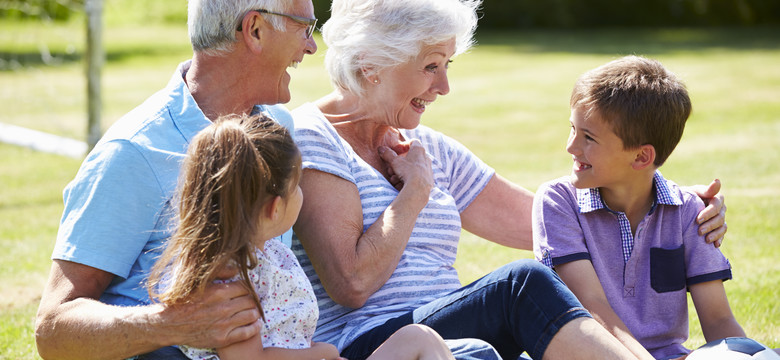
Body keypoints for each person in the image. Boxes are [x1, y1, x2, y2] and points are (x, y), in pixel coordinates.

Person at [289, 1, 727, 359]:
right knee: (522, 284)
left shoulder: (426, 145)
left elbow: (544, 223)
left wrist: (668, 204)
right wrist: (415, 192)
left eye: (448, 65)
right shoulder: (313, 138)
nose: (444, 86)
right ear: (372, 64)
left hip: (454, 338)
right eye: (430, 66)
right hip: (374, 343)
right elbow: (352, 284)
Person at [34, 0, 317, 359]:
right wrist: (173, 324)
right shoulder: (134, 151)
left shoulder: (279, 130)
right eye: (304, 28)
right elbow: (52, 330)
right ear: (255, 30)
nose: (312, 45)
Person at [147, 114, 455, 360]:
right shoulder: (228, 280)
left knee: (418, 337)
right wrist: (323, 352)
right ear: (274, 207)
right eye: (297, 186)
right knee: (420, 340)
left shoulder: (267, 257)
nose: (302, 193)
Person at [532, 56, 744, 360]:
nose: (571, 146)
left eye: (588, 137)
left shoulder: (688, 213)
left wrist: (751, 355)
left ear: (642, 157)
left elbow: (718, 320)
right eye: (573, 129)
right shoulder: (557, 201)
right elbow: (591, 306)